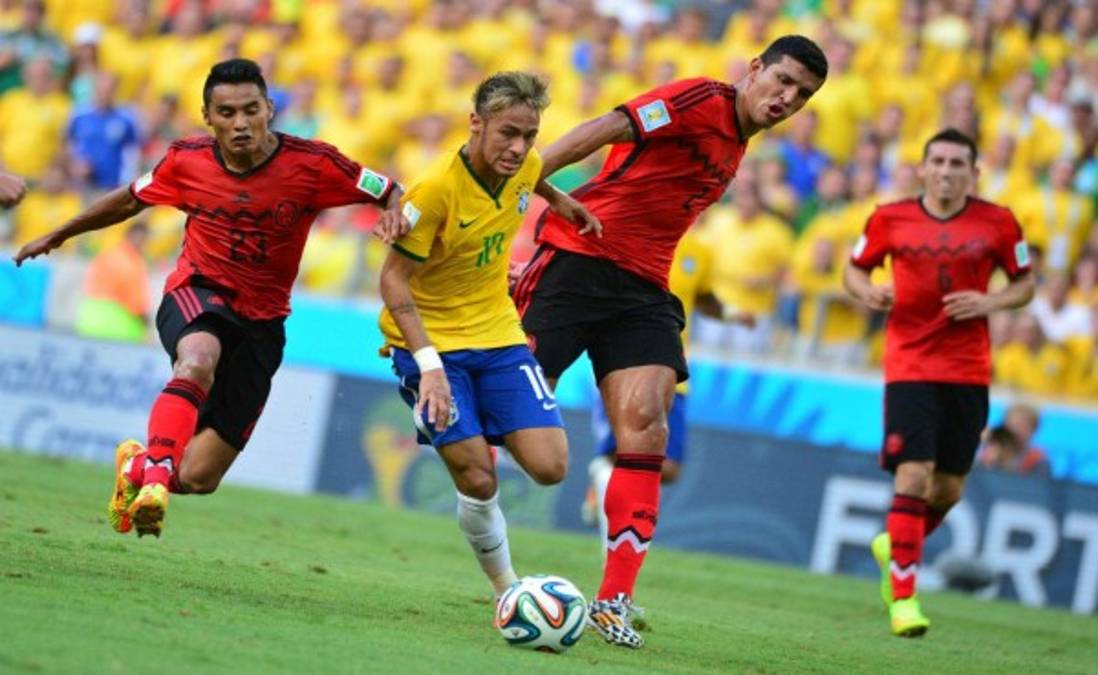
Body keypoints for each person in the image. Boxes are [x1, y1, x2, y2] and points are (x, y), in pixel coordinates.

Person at [512, 35, 828, 648]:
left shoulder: (739, 143)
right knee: (515, 416)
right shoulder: (700, 100)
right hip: (579, 260)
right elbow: (607, 128)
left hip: (645, 289)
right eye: (783, 81)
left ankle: (613, 601)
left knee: (649, 429)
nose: (788, 99)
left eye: (803, 95)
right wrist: (526, 181)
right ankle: (438, 368)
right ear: (755, 69)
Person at [13, 58, 405, 538]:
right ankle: (156, 477)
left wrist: (394, 213)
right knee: (197, 360)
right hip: (198, 291)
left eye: (250, 110)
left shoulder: (314, 165)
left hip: (263, 323)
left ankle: (139, 467)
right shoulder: (186, 161)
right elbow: (130, 198)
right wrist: (58, 233)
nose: (240, 123)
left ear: (269, 109)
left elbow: (390, 190)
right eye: (226, 112)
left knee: (200, 476)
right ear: (208, 117)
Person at [376, 72, 597, 604]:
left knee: (550, 466)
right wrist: (430, 366)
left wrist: (560, 201)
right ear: (476, 124)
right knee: (478, 479)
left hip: (498, 333)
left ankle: (466, 421)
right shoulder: (435, 190)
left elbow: (533, 176)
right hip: (431, 345)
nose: (519, 148)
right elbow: (392, 280)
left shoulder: (526, 165)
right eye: (508, 134)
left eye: (529, 135)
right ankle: (507, 592)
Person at [844, 128, 1036, 637]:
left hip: (968, 369)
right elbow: (854, 270)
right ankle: (904, 600)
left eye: (957, 163)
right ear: (922, 168)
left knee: (947, 489)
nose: (947, 171)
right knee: (913, 476)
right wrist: (868, 292)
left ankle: (894, 544)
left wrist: (989, 301)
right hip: (909, 365)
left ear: (974, 173)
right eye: (939, 161)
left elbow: (1025, 283)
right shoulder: (889, 218)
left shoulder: (998, 222)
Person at [585, 226, 755, 547]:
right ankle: (616, 533)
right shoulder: (632, 232)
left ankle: (605, 483)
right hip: (623, 362)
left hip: (672, 367)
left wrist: (733, 314)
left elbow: (703, 298)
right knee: (621, 451)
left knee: (670, 468)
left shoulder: (699, 250)